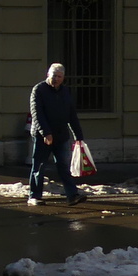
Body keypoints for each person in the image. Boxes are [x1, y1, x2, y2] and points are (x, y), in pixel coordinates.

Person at [28, 62, 86, 206]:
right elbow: (37, 114)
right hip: (43, 136)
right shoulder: (39, 90)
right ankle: (34, 196)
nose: (56, 79)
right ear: (48, 75)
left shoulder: (65, 91)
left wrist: (79, 136)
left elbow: (71, 114)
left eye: (60, 76)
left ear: (63, 77)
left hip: (61, 135)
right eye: (54, 76)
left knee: (63, 166)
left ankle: (72, 195)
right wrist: (46, 133)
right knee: (39, 166)